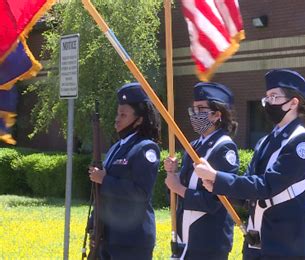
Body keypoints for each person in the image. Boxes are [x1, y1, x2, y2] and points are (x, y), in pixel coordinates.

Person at [194, 69, 305, 260]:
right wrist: (217, 186)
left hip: (285, 241)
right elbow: (249, 187)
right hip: (257, 237)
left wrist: (217, 177)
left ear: (293, 102)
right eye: (267, 97)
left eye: (274, 97)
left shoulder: (301, 142)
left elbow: (268, 185)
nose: (269, 102)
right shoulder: (265, 142)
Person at [164, 82, 240, 260]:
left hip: (208, 239)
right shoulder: (194, 145)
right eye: (193, 109)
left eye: (200, 109)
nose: (194, 114)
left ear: (216, 115)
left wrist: (179, 189)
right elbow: (181, 189)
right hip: (187, 235)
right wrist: (172, 173)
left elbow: (216, 200)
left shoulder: (225, 147)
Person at [88, 82, 161, 260]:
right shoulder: (117, 147)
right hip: (109, 236)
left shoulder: (146, 148)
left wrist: (104, 180)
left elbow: (141, 192)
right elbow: (102, 194)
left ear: (139, 119)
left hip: (132, 240)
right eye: (117, 113)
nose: (117, 119)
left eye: (123, 115)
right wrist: (93, 225)